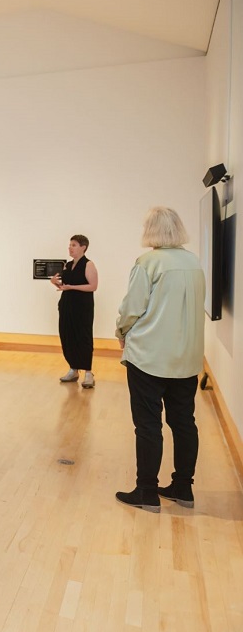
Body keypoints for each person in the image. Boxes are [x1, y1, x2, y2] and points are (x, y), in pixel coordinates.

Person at [115, 207, 205, 513]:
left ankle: (147, 492)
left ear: (151, 230)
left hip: (149, 357)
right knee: (184, 423)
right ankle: (183, 488)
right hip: (187, 358)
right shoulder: (193, 262)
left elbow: (132, 308)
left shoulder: (148, 263)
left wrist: (121, 331)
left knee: (148, 425)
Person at [50, 234, 98, 388]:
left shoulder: (88, 264)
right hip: (67, 305)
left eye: (74, 245)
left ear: (83, 247)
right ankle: (73, 369)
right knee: (67, 335)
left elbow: (93, 286)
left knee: (83, 336)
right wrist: (55, 283)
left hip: (82, 307)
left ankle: (88, 373)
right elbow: (65, 286)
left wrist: (72, 287)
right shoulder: (68, 265)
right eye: (70, 244)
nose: (70, 247)